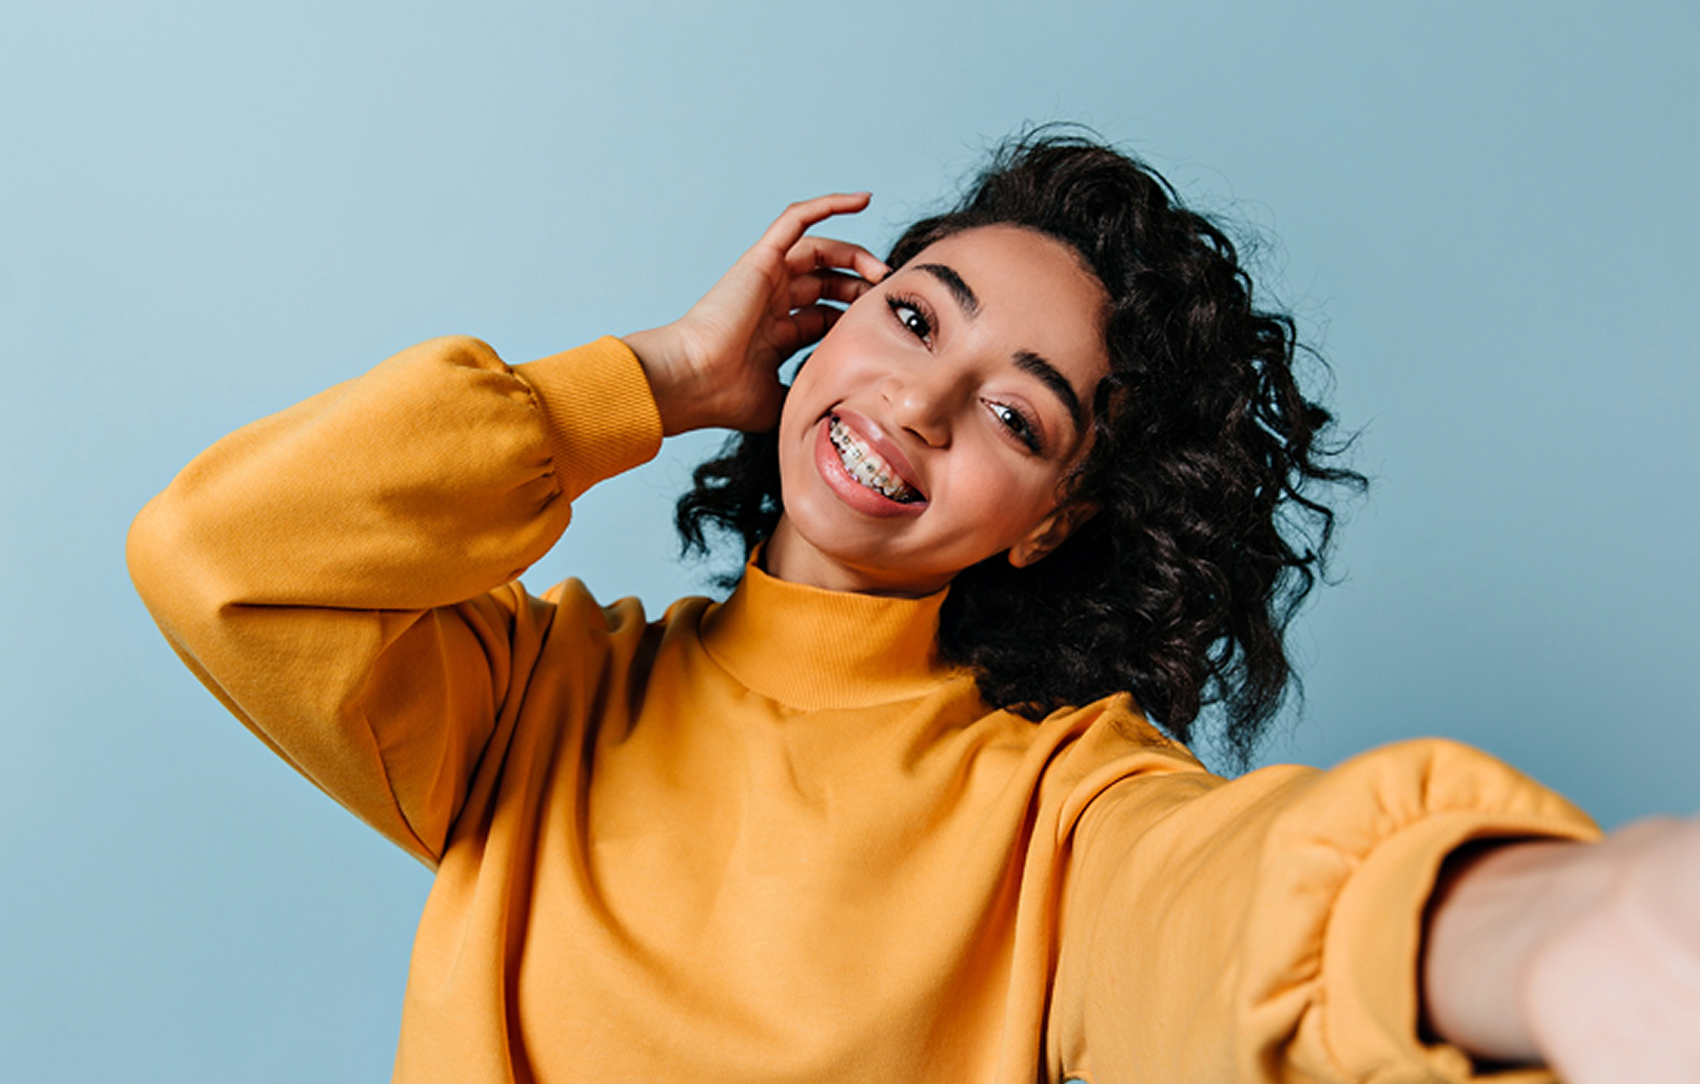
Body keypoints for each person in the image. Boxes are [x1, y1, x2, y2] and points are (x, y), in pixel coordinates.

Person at [128, 133, 1700, 1083]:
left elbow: (1232, 915)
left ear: (1054, 527)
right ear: (822, 321)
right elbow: (226, 553)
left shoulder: (1060, 813)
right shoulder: (531, 704)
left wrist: (1558, 927)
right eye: (909, 316)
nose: (926, 404)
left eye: (1020, 419)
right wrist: (662, 380)